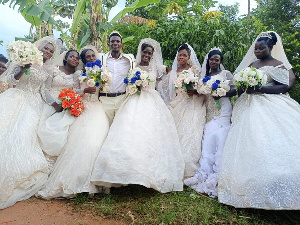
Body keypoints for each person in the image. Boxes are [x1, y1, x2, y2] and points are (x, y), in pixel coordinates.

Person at [218, 31, 300, 209]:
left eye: (261, 48)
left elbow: (287, 85)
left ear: (271, 47)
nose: (257, 50)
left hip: (271, 105)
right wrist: (222, 92)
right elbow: (240, 88)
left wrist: (261, 89)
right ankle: (248, 186)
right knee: (251, 142)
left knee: (271, 141)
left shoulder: (279, 65)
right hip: (248, 106)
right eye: (256, 48)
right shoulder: (251, 65)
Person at [91, 38, 185, 193]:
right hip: (134, 100)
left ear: (153, 55)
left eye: (149, 53)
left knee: (150, 135)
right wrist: (136, 83)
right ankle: (123, 173)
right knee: (128, 133)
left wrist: (183, 81)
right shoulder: (133, 65)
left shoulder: (158, 67)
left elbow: (173, 71)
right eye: (145, 52)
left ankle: (147, 172)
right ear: (141, 52)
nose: (147, 55)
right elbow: (127, 80)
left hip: (152, 102)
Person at [37, 46, 109, 199]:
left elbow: (97, 89)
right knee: (73, 140)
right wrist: (81, 93)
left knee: (96, 140)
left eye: (92, 56)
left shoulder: (99, 73)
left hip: (92, 107)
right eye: (87, 57)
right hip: (69, 106)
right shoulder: (79, 75)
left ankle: (97, 180)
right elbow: (55, 89)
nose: (90, 58)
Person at [0, 36, 56, 209]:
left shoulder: (48, 70)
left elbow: (44, 90)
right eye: (45, 48)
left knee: (25, 134)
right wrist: (23, 69)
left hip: (34, 104)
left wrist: (55, 104)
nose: (47, 52)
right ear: (38, 48)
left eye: (50, 51)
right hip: (15, 97)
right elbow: (9, 80)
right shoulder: (23, 60)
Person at [184, 48, 234, 197]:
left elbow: (234, 90)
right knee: (208, 142)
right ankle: (203, 173)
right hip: (210, 110)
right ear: (209, 60)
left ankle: (217, 175)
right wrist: (194, 91)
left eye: (216, 59)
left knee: (221, 140)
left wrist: (221, 92)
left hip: (223, 109)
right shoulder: (204, 77)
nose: (213, 61)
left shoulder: (226, 74)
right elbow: (201, 93)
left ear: (220, 61)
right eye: (211, 59)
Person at [38, 50, 82, 171]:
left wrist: (72, 102)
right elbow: (45, 89)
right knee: (43, 128)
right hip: (50, 103)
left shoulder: (76, 75)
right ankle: (41, 159)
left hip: (66, 105)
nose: (74, 59)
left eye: (77, 58)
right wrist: (54, 104)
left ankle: (57, 164)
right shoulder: (55, 69)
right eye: (72, 56)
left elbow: (77, 91)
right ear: (65, 58)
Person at [168, 43, 206, 178]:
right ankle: (174, 163)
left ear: (189, 57)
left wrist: (195, 91)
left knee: (191, 131)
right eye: (180, 55)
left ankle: (189, 165)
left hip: (194, 103)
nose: (181, 57)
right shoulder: (174, 71)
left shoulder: (195, 69)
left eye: (184, 55)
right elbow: (171, 91)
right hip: (179, 102)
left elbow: (202, 88)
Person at [98, 31, 134, 125]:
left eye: (118, 41)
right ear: (109, 44)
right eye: (112, 41)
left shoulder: (129, 60)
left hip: (122, 99)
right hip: (105, 100)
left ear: (121, 44)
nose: (115, 43)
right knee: (105, 127)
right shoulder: (101, 58)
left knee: (120, 127)